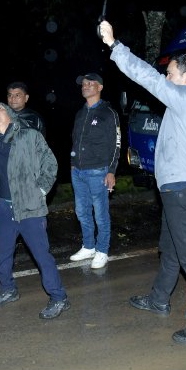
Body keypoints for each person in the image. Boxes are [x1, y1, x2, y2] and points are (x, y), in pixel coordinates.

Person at [98, 20, 186, 345]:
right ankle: (158, 299)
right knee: (171, 251)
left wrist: (114, 45)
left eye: (171, 72)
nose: (167, 76)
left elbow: (148, 77)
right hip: (180, 189)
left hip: (182, 190)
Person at [0, 71, 70, 320]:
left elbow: (50, 164)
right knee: (2, 252)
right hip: (3, 208)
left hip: (30, 207)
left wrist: (41, 190)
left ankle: (59, 297)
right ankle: (8, 289)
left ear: (10, 115)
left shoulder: (29, 136)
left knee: (42, 255)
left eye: (0, 109)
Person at [68, 72, 121, 269]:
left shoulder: (109, 113)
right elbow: (75, 140)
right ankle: (89, 246)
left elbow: (116, 144)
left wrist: (112, 171)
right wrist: (73, 163)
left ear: (100, 87)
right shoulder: (81, 113)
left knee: (100, 213)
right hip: (78, 171)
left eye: (90, 83)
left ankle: (102, 250)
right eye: (83, 83)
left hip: (98, 171)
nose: (85, 86)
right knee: (82, 211)